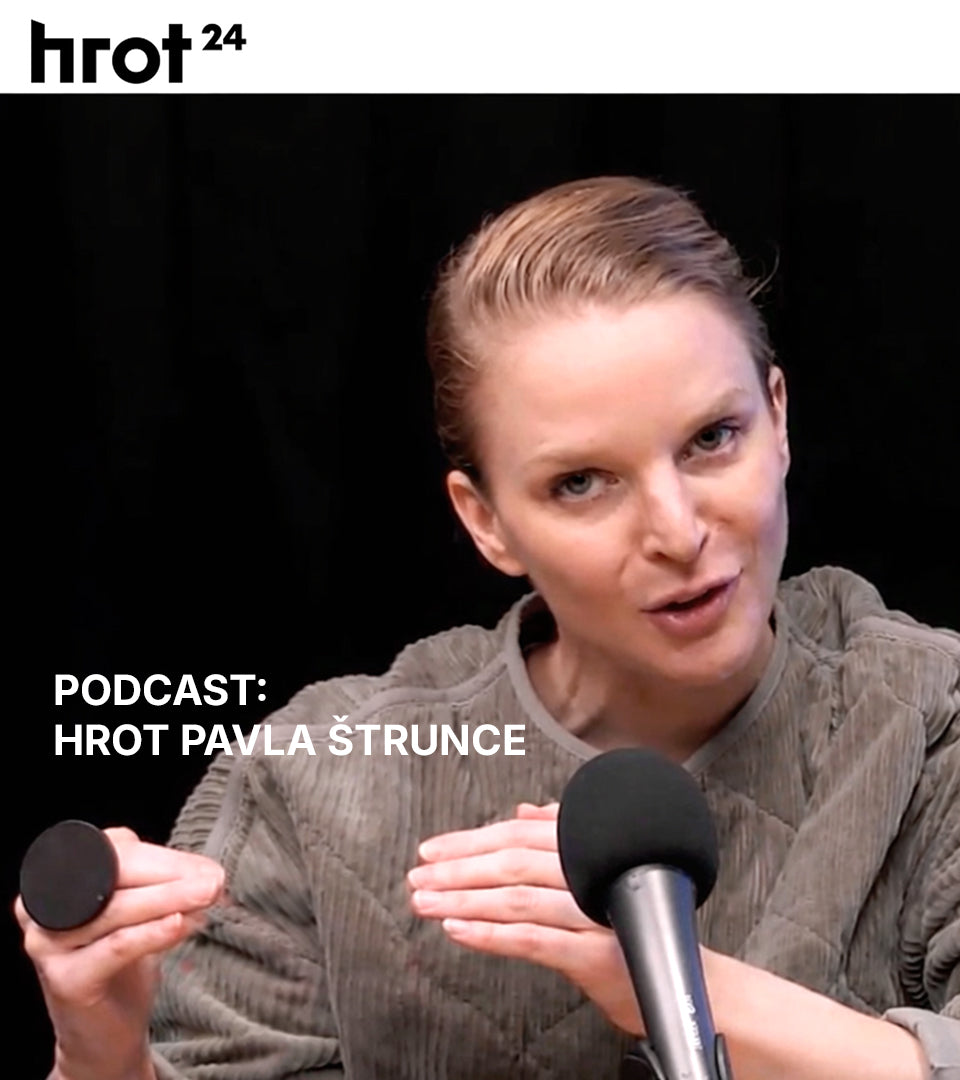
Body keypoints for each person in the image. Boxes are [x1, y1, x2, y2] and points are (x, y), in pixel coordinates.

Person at [16, 176, 959, 1080]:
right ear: (486, 521)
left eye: (713, 438)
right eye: (581, 483)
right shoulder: (321, 780)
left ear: (778, 418)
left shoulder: (927, 721)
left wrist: (676, 982)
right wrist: (101, 1056)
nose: (678, 533)